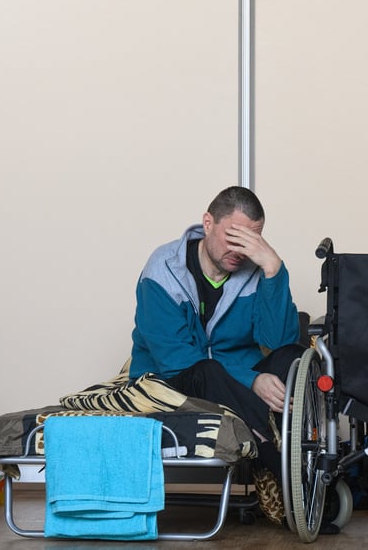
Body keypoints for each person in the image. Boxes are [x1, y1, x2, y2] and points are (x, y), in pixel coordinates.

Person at [129, 186, 303, 521]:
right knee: (206, 371)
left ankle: (275, 451)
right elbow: (178, 360)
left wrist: (273, 269)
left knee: (292, 357)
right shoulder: (163, 271)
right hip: (172, 380)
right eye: (232, 235)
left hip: (234, 384)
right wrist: (252, 380)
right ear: (208, 223)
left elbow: (280, 340)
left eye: (250, 240)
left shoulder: (253, 270)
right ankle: (275, 463)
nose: (240, 250)